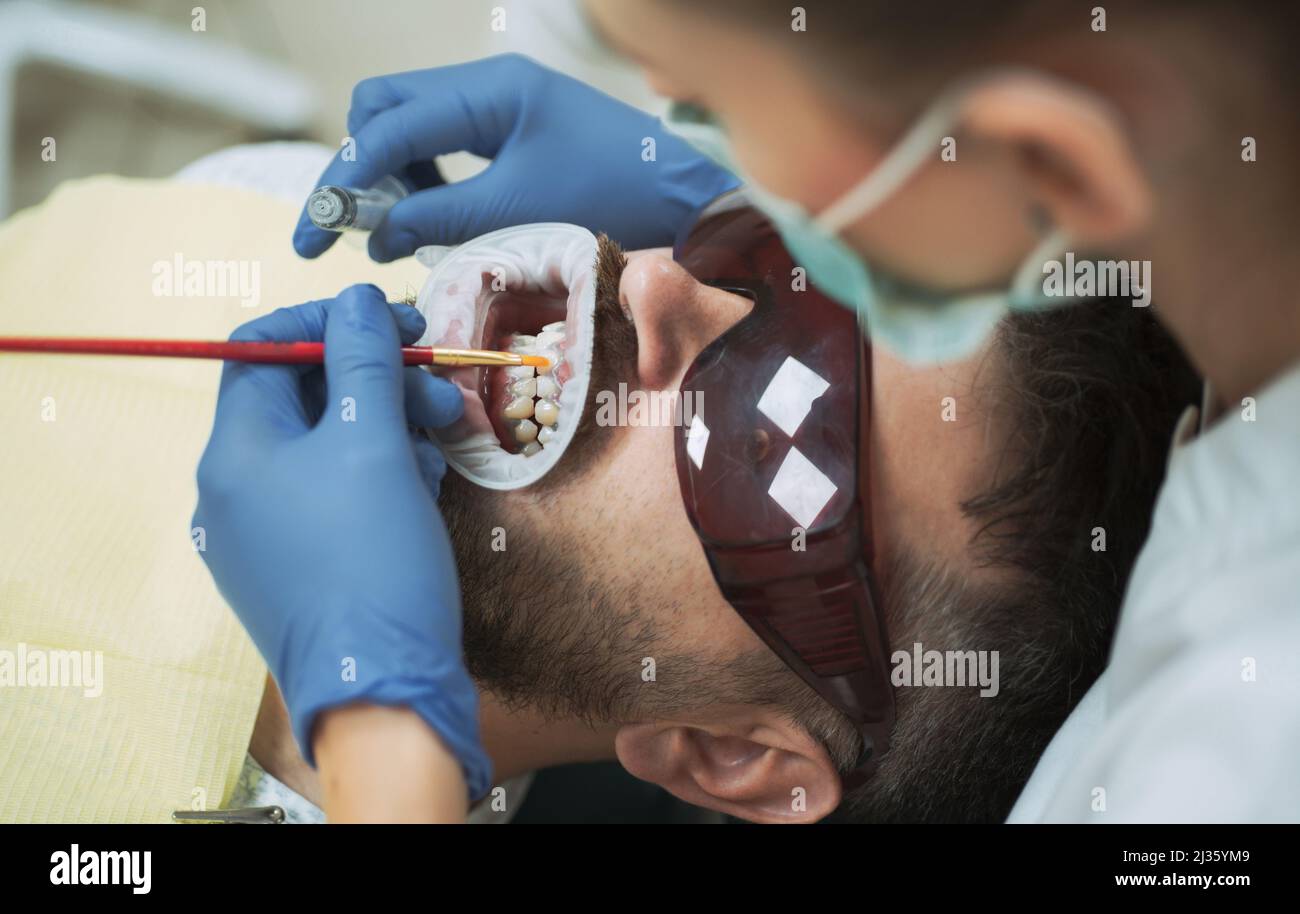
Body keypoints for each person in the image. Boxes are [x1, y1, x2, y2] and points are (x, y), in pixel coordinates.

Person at [205, 0, 1299, 820]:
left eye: (767, 439)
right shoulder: (242, 198)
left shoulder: (1228, 759)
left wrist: (376, 731)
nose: (658, 282)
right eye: (767, 252)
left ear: (735, 756)